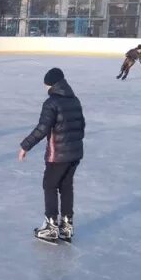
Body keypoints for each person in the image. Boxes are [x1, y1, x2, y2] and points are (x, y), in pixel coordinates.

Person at [18, 67, 86, 244]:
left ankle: (51, 227)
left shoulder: (52, 102)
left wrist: (25, 146)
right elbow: (81, 126)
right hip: (75, 153)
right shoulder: (75, 100)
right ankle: (67, 226)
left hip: (58, 155)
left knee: (49, 185)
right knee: (66, 186)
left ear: (51, 84)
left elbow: (42, 129)